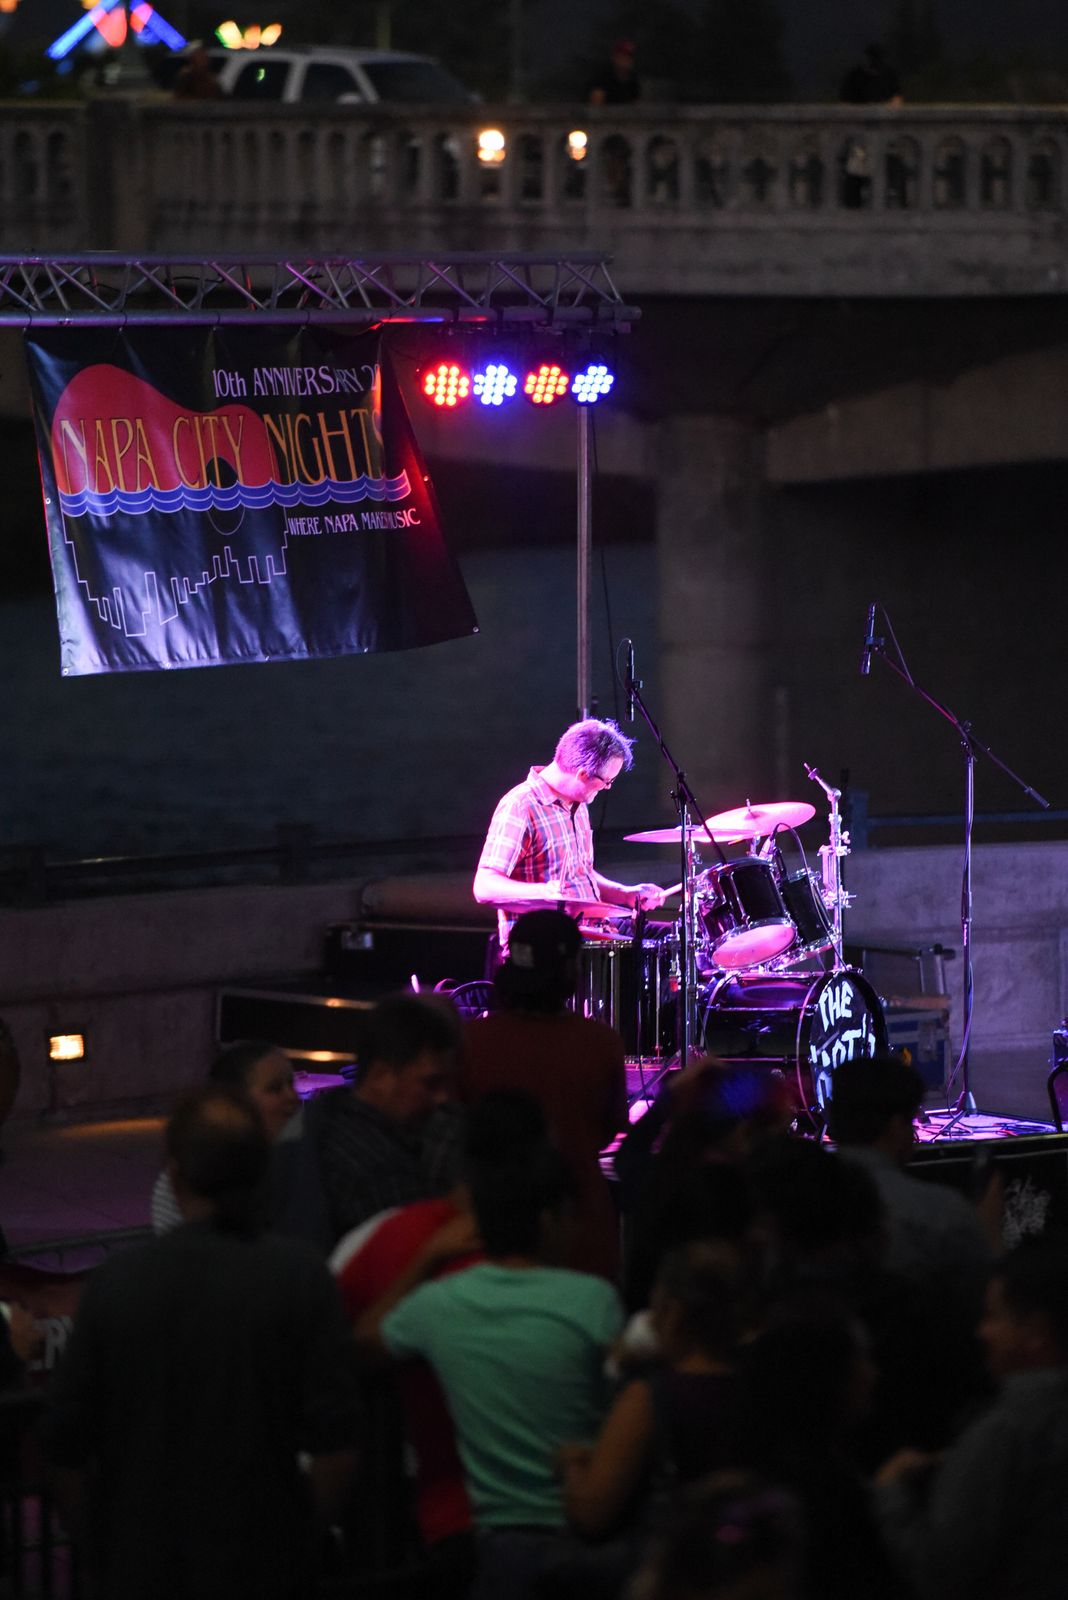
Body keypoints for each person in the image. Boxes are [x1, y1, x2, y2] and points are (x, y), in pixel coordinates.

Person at [41, 1087, 362, 1600]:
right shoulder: (298, 1276)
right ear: (261, 1171)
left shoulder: (118, 1283)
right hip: (263, 1562)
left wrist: (101, 1551)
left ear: (176, 1175)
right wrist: (299, 1542)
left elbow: (64, 1443)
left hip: (145, 1563)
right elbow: (337, 1443)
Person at [357, 1107, 624, 1600]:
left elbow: (364, 1343)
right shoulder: (593, 1299)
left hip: (495, 1544)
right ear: (548, 1221)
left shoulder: (439, 1304)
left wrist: (428, 1257)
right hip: (589, 1531)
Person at [876, 1237, 1068, 1600]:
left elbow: (939, 1573)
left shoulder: (1007, 1433)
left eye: (994, 1316)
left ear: (1037, 1332)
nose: (981, 1331)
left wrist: (891, 1491)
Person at [460, 909, 627, 1279]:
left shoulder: (471, 1041)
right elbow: (608, 1131)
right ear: (570, 969)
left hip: (485, 1235)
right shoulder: (600, 1043)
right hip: (580, 1236)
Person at [473, 716, 666, 953]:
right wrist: (543, 893)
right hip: (544, 946)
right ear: (582, 774)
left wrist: (625, 894)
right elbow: (484, 886)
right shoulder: (521, 806)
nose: (608, 787)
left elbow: (581, 873)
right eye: (607, 781)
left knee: (673, 940)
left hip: (592, 929)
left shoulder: (577, 803)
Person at [292, 993, 461, 1247]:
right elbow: (406, 1256)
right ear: (381, 1075)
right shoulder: (384, 1173)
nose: (442, 1098)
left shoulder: (324, 1117)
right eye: (430, 1083)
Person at [150, 1038, 300, 1233]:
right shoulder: (189, 1178)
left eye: (291, 1085)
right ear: (236, 1101)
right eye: (275, 1089)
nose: (292, 1097)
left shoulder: (305, 1161)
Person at [588, 39, 641, 106]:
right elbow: (596, 105)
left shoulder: (633, 79)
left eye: (629, 57)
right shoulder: (603, 76)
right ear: (614, 58)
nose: (626, 60)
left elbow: (635, 104)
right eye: (622, 56)